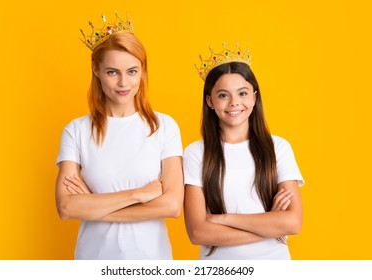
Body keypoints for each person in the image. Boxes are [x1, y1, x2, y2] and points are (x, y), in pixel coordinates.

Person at [55, 13, 184, 260]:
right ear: (96, 70)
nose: (124, 82)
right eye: (112, 72)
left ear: (143, 71)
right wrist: (137, 195)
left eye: (132, 71)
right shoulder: (77, 131)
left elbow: (172, 205)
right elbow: (66, 207)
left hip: (151, 262)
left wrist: (93, 205)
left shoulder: (164, 127)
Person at [183, 43, 304, 259]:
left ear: (255, 97)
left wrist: (224, 219)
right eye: (223, 95)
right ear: (210, 101)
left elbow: (293, 223)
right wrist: (270, 223)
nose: (234, 103)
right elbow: (198, 232)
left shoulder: (278, 148)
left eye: (242, 93)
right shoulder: (195, 153)